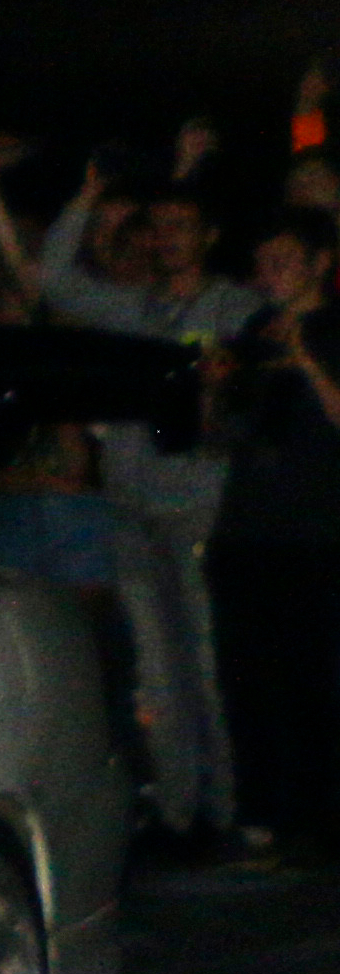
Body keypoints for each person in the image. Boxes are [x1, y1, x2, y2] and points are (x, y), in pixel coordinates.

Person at [0, 141, 261, 848]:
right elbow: (52, 277)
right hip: (132, 509)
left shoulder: (238, 306)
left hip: (202, 508)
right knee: (156, 672)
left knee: (207, 663)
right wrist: (86, 200)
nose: (169, 238)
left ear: (209, 236)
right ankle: (176, 812)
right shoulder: (131, 308)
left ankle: (227, 810)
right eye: (159, 226)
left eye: (182, 226)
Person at [207, 208, 340, 858]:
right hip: (245, 532)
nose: (271, 273)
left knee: (318, 678)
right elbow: (221, 438)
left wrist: (305, 359)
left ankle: (320, 816)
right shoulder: (252, 331)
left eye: (285, 259)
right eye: (263, 262)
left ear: (320, 261)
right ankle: (260, 810)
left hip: (318, 535)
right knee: (247, 679)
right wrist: (213, 391)